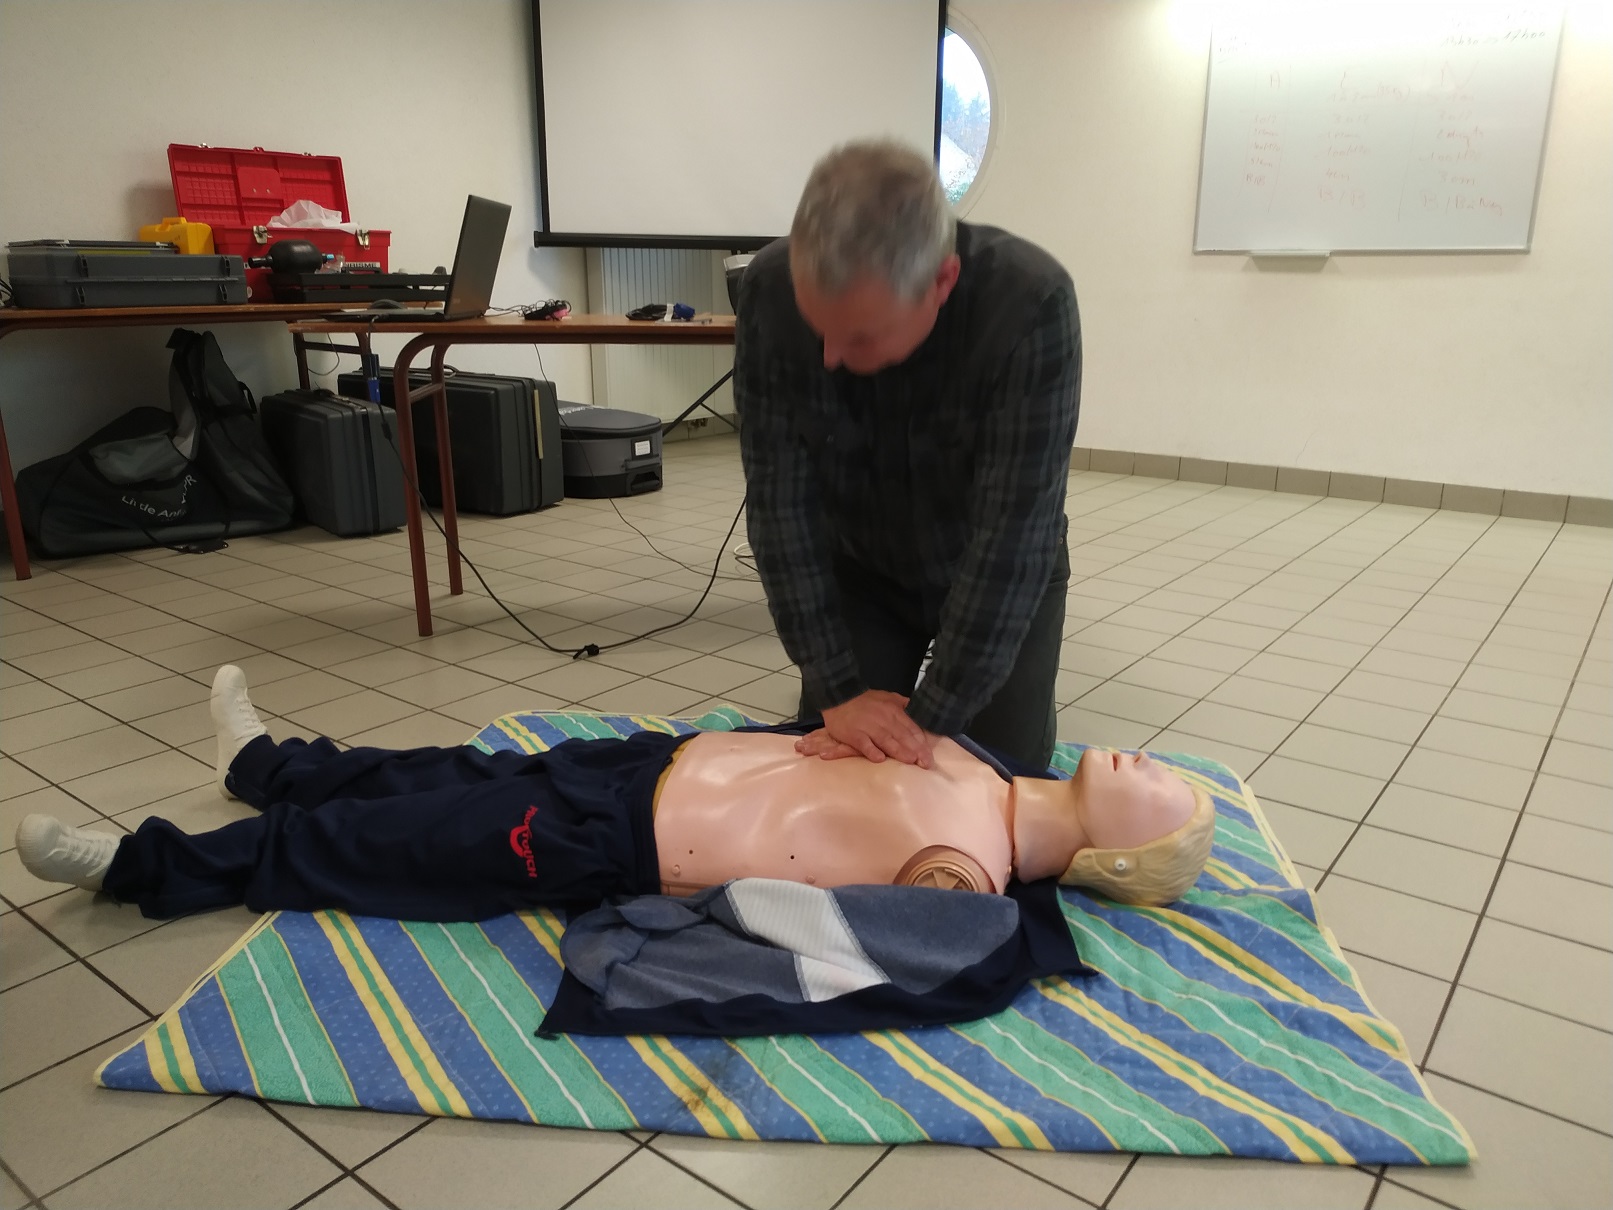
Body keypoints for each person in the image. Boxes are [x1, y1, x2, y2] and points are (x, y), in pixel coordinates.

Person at [14, 667, 1213, 923]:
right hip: (649, 762)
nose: (1152, 765)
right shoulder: (983, 762)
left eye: (1165, 795)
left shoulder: (965, 881)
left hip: (618, 841)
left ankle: (140, 865)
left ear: (1118, 857)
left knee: (395, 841)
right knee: (443, 771)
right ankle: (265, 765)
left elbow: (838, 946)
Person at [735, 139, 1082, 774]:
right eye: (819, 327)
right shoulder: (770, 290)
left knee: (998, 775)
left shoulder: (1029, 305)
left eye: (859, 336)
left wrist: (930, 721)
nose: (829, 356)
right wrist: (837, 689)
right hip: (859, 564)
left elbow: (1012, 538)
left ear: (941, 282)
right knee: (839, 767)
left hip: (991, 564)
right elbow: (779, 503)